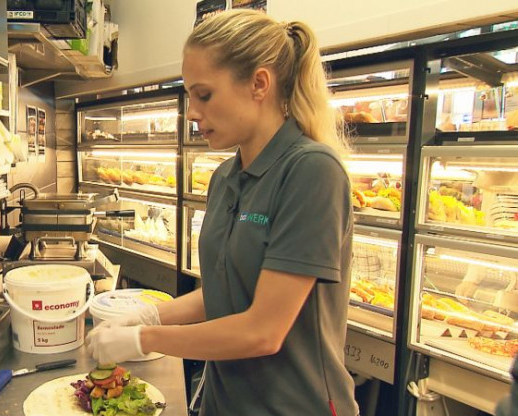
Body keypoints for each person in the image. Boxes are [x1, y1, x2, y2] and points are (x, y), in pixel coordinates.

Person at [86, 9, 358, 416]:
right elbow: (224, 293)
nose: (192, 113)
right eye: (189, 96)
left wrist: (145, 338)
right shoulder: (225, 177)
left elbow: (263, 332)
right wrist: (149, 315)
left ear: (259, 84)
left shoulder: (311, 171)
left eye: (205, 95)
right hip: (225, 403)